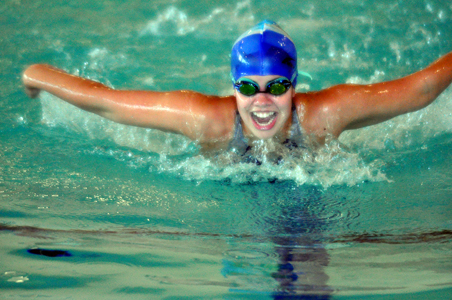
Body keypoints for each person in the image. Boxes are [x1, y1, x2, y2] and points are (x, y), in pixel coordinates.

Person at [22, 20, 452, 153]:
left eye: (277, 86)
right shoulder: (207, 119)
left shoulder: (323, 112)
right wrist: (36, 74)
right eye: (248, 87)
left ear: (295, 86)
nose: (262, 101)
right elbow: (107, 103)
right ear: (233, 88)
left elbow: (420, 90)